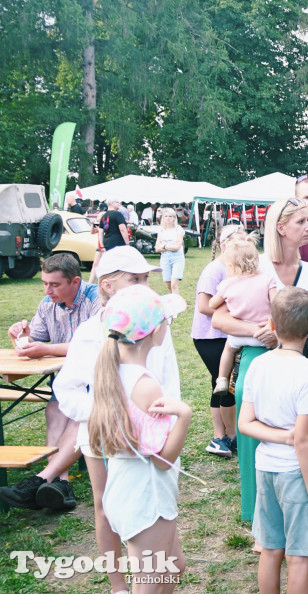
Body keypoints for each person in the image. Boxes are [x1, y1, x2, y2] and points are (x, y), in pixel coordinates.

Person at [53, 246, 175, 594]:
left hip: (149, 440)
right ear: (106, 286)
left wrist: (167, 424)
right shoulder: (92, 332)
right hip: (103, 436)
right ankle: (118, 584)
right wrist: (104, 416)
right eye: (134, 279)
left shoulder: (153, 324)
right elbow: (67, 389)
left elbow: (168, 383)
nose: (144, 285)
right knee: (106, 507)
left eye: (146, 278)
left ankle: (154, 574)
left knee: (153, 519)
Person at [212, 198, 308, 543]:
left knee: (298, 436)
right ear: (281, 227)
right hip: (257, 357)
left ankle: (298, 511)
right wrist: (259, 331)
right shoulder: (254, 267)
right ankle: (262, 524)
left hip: (300, 361)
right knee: (255, 436)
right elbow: (217, 315)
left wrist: (284, 334)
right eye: (301, 221)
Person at [88, 285, 191, 591]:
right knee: (148, 583)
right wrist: (183, 417)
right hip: (147, 495)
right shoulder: (145, 385)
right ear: (155, 330)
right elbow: (163, 460)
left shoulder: (112, 371)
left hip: (125, 486)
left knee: (174, 567)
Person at [237, 287, 308, 594]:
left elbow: (245, 424)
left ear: (270, 324)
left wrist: (283, 437)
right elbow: (303, 441)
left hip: (266, 469)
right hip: (300, 474)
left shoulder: (257, 364)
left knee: (270, 550)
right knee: (299, 557)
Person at [1, 253, 100, 511]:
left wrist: (44, 349)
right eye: (45, 283)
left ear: (76, 282)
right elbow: (36, 341)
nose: (48, 290)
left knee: (80, 417)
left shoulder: (96, 299)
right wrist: (22, 336)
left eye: (54, 285)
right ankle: (60, 483)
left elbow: (95, 345)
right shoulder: (48, 304)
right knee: (55, 410)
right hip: (68, 380)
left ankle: (44, 478)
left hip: (100, 379)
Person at [192, 224, 249, 459]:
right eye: (238, 241)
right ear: (224, 244)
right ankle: (219, 438)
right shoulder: (214, 270)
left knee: (225, 382)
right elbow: (204, 306)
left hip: (228, 334)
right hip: (209, 336)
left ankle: (229, 435)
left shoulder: (239, 268)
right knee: (221, 382)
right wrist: (234, 306)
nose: (243, 245)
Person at [209, 239, 277, 397]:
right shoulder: (267, 280)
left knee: (228, 350)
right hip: (264, 334)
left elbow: (212, 304)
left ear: (232, 267)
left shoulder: (227, 284)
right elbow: (277, 303)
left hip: (238, 335)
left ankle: (222, 380)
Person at [155, 208, 186, 295]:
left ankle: (177, 304)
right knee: (168, 284)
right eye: (166, 216)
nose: (168, 218)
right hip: (165, 258)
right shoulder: (161, 230)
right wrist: (169, 246)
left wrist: (164, 245)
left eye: (170, 216)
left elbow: (177, 247)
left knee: (174, 284)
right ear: (163, 218)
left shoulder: (178, 229)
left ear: (174, 218)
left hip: (177, 257)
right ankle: (172, 301)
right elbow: (157, 248)